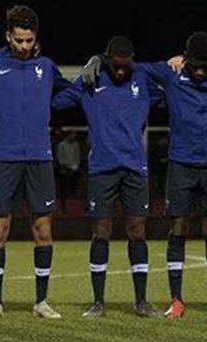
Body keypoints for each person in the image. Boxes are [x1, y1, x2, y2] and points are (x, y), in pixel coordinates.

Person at [84, 32, 207, 318]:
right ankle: (177, 300)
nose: (198, 69)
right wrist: (96, 58)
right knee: (178, 228)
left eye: (204, 64)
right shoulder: (171, 72)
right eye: (194, 63)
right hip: (181, 164)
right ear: (185, 57)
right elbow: (128, 64)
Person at [0, 5, 69, 320]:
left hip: (40, 158)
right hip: (5, 159)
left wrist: (97, 65)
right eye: (19, 40)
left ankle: (41, 301)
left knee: (42, 228)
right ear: (8, 37)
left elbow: (73, 94)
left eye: (29, 40)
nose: (25, 46)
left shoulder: (47, 66)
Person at [55, 36, 161, 318]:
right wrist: (91, 65)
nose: (121, 71)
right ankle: (98, 302)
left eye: (126, 66)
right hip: (102, 169)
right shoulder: (91, 80)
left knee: (137, 231)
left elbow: (175, 90)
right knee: (100, 231)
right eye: (115, 66)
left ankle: (141, 301)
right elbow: (56, 100)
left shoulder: (143, 79)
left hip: (135, 169)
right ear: (108, 60)